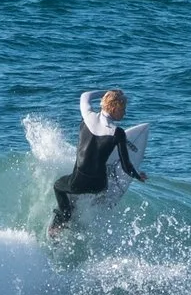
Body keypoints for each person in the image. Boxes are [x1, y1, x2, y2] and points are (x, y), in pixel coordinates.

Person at [50, 88, 145, 234]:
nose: (125, 113)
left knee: (58, 186)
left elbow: (85, 95)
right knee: (101, 183)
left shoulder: (87, 116)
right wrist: (139, 176)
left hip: (77, 183)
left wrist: (106, 92)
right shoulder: (117, 132)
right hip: (99, 185)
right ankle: (96, 204)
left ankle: (65, 217)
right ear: (114, 108)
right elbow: (127, 167)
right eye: (123, 109)